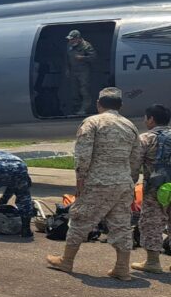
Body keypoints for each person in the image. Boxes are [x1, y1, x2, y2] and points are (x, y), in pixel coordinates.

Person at [47, 87, 142, 280]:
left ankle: (66, 261)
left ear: (99, 104)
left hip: (99, 181)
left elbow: (83, 155)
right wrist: (130, 180)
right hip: (123, 182)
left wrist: (80, 180)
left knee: (80, 218)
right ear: (121, 106)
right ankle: (122, 268)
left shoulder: (92, 122)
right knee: (121, 224)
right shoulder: (130, 125)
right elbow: (135, 158)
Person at [131, 104, 171, 273]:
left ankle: (153, 262)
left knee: (151, 223)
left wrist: (131, 183)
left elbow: (134, 164)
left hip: (156, 188)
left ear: (151, 119)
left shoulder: (145, 138)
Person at [64, 29, 96, 115]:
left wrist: (83, 58)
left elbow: (93, 57)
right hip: (73, 71)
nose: (70, 41)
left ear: (78, 38)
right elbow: (67, 58)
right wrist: (67, 69)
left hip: (83, 71)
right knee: (74, 91)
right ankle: (76, 110)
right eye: (70, 39)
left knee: (84, 91)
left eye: (72, 39)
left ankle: (84, 109)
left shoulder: (86, 46)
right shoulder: (69, 45)